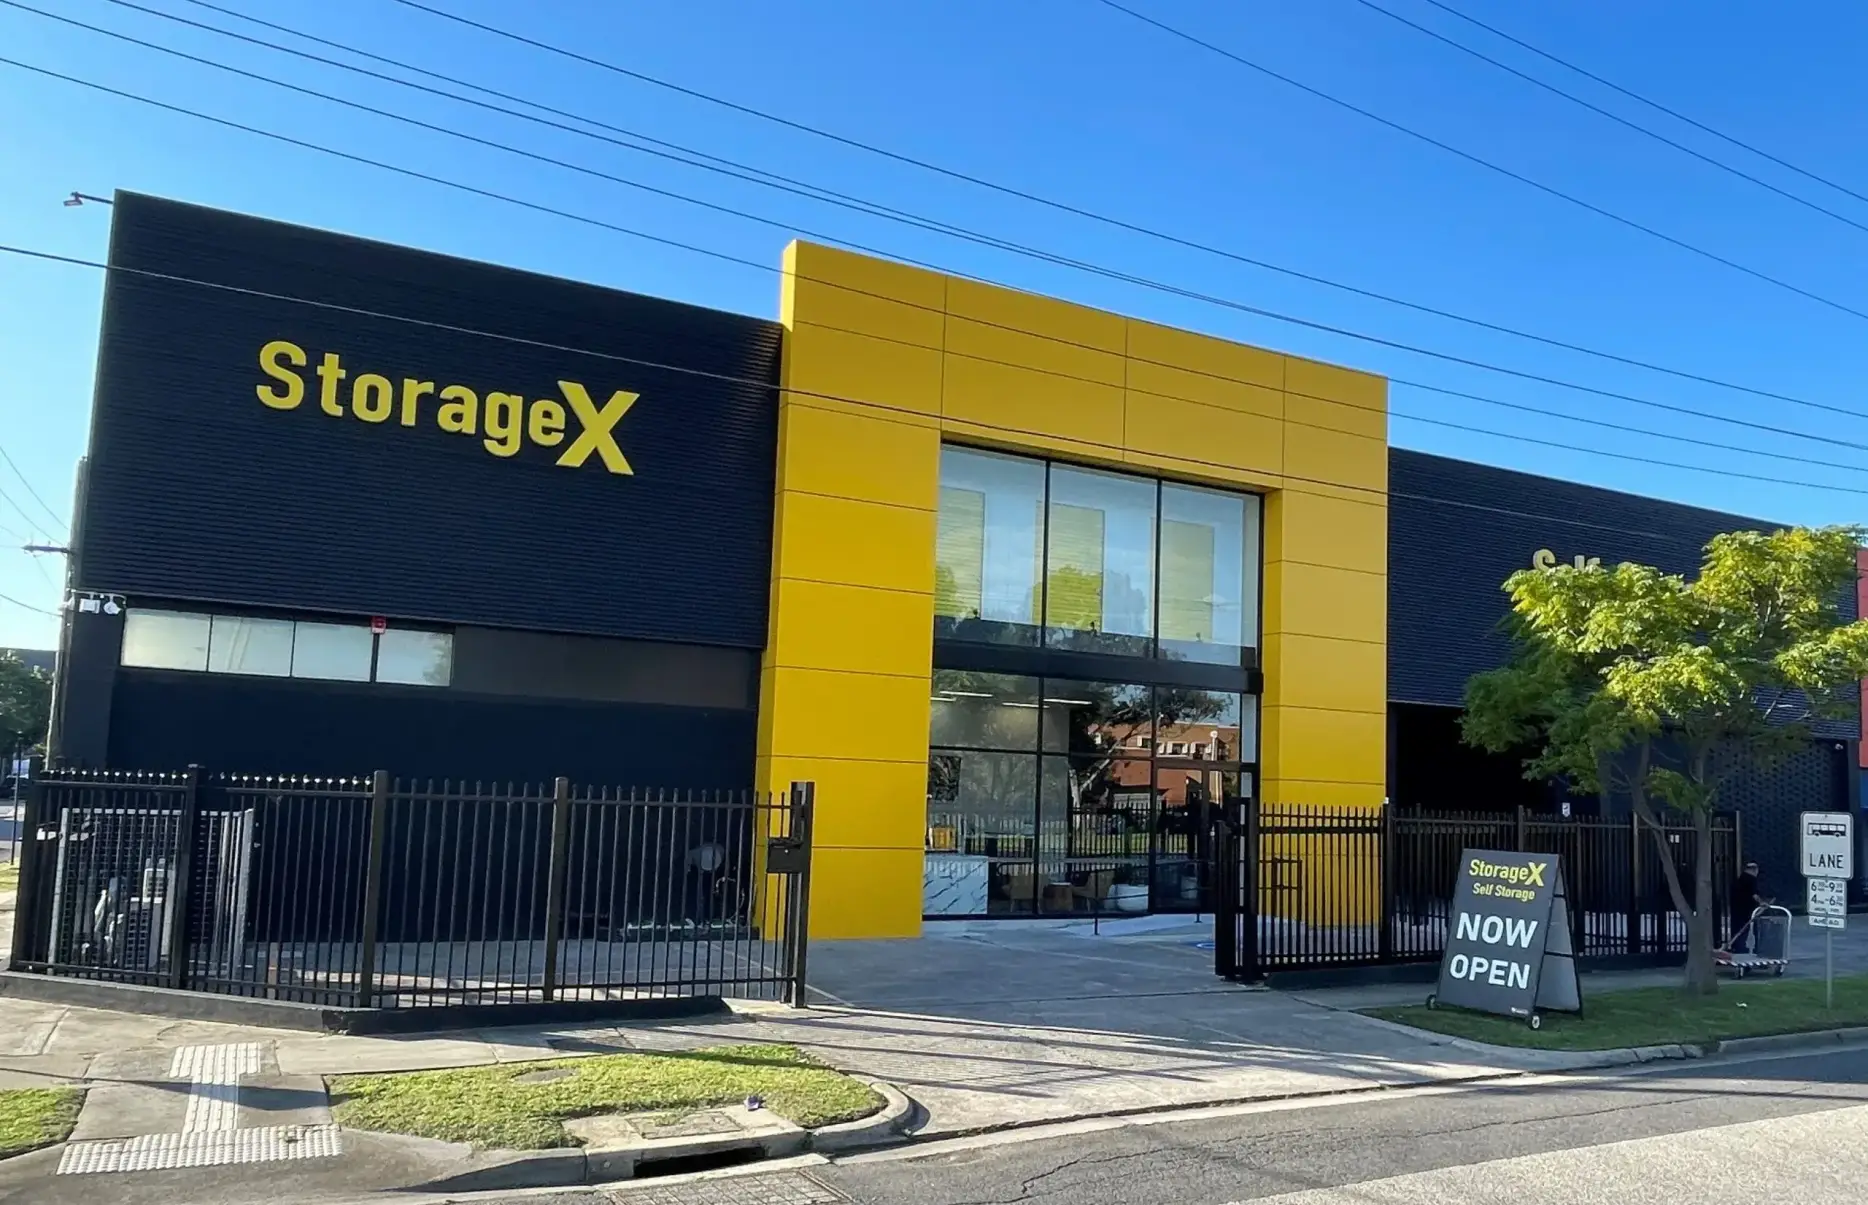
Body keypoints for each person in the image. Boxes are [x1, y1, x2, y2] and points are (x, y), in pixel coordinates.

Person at [1731, 861, 1767, 952]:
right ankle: (1747, 948)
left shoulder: (1740, 879)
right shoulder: (1751, 880)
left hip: (1737, 908)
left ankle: (1738, 947)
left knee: (1739, 928)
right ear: (1755, 870)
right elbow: (1754, 895)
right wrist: (1762, 903)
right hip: (1747, 909)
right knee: (1746, 929)